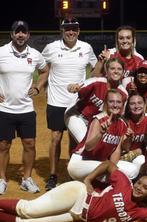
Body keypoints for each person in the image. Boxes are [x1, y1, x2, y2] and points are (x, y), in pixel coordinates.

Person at [0, 160, 147, 222]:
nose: (139, 187)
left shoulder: (139, 211)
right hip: (78, 195)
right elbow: (108, 164)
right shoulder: (124, 183)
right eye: (139, 183)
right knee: (28, 210)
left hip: (76, 216)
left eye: (145, 188)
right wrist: (89, 179)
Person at [0, 20, 49, 195]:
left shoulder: (35, 54)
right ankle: (2, 179)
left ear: (28, 35)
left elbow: (45, 70)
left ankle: (26, 179)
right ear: (12, 34)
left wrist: (37, 87)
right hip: (4, 109)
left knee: (29, 144)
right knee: (3, 145)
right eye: (17, 32)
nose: (20, 35)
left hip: (26, 109)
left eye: (24, 32)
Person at [41, 16, 97, 191]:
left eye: (74, 28)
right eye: (67, 29)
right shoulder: (51, 48)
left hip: (77, 103)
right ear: (62, 30)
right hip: (56, 101)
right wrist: (43, 85)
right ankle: (52, 175)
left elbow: (96, 68)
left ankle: (72, 174)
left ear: (79, 31)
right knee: (55, 138)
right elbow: (42, 67)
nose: (71, 32)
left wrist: (86, 85)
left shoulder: (86, 48)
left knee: (75, 140)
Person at [67, 89, 140, 181]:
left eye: (118, 102)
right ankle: (87, 180)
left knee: (132, 170)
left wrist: (129, 139)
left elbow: (116, 151)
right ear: (106, 103)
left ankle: (100, 184)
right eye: (111, 101)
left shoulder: (122, 123)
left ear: (122, 104)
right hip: (80, 162)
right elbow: (88, 147)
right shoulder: (98, 119)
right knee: (114, 172)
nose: (115, 105)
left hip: (99, 165)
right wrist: (100, 133)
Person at [65, 57, 128, 144]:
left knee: (96, 146)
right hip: (77, 116)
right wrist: (72, 87)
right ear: (106, 71)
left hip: (97, 123)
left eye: (119, 69)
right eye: (112, 68)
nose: (116, 71)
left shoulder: (123, 94)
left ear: (123, 72)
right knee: (85, 145)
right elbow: (75, 87)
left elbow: (119, 116)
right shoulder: (96, 82)